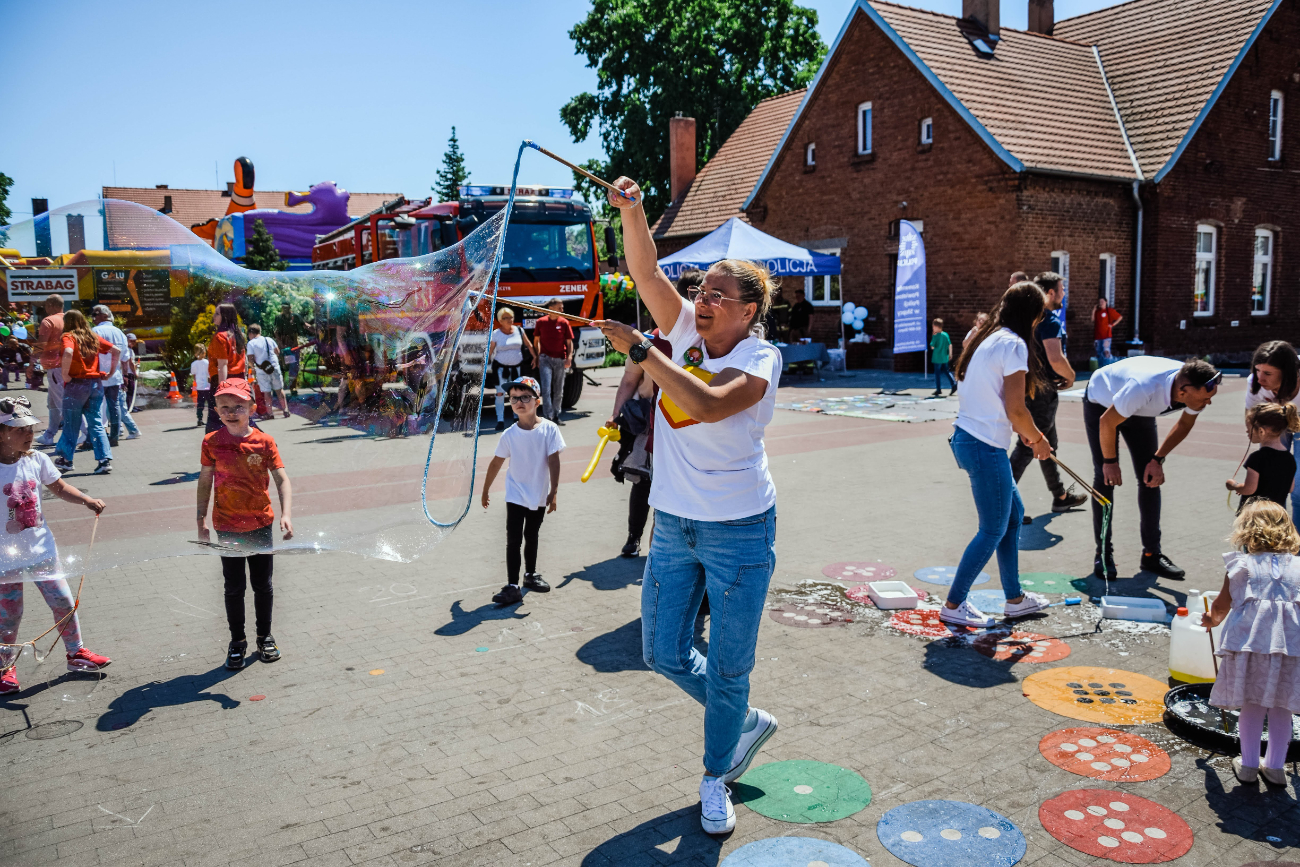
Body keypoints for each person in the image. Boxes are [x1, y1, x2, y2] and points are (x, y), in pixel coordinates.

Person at [595, 176, 782, 836]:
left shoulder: (762, 356)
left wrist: (645, 351)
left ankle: (714, 777)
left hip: (740, 530)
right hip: (674, 523)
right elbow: (643, 268)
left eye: (716, 293)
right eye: (699, 288)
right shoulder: (680, 326)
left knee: (730, 666)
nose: (700, 300)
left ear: (748, 310)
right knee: (663, 652)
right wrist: (635, 207)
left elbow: (704, 403)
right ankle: (742, 720)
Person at [943, 282, 1054, 628]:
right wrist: (1038, 440)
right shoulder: (1014, 345)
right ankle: (954, 603)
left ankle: (1015, 599)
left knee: (1013, 515)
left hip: (970, 438)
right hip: (983, 444)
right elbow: (1017, 410)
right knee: (992, 529)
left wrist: (1031, 437)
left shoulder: (986, 337)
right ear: (1033, 316)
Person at [0, 397, 111, 694]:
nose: (28, 434)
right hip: (3, 559)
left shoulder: (37, 460)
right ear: (1, 433)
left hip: (41, 551)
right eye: (19, 429)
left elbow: (60, 488)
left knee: (63, 602)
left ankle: (76, 653)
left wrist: (86, 500)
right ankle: (4, 667)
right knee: (9, 614)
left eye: (30, 429)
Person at [1084, 355, 1221, 580]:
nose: (1209, 403)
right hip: (1103, 402)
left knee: (1150, 479)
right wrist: (1110, 462)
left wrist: (1157, 460)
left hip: (1140, 410)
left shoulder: (1193, 386)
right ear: (1183, 391)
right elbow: (1107, 422)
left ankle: (1151, 554)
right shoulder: (1144, 387)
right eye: (1206, 399)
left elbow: (1184, 424)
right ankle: (1103, 554)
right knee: (1105, 478)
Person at [1201, 499, 1300, 788]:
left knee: (1252, 707)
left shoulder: (1242, 566)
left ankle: (1247, 766)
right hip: (1290, 651)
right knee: (1282, 708)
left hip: (1251, 648)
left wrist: (1212, 620)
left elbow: (1221, 606)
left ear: (1247, 530)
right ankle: (1276, 767)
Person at [197, 380, 293, 671]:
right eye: (224, 407)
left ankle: (265, 636)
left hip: (261, 523)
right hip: (226, 524)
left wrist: (286, 514)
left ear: (252, 408)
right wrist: (200, 520)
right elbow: (204, 482)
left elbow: (281, 479)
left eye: (238, 406)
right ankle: (237, 641)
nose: (231, 412)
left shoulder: (264, 442)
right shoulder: (211, 442)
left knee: (263, 585)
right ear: (216, 410)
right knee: (234, 587)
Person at [1009, 272, 1087, 522]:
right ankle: (1004, 504)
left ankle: (1060, 497)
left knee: (1047, 444)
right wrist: (1072, 376)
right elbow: (1055, 357)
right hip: (1042, 392)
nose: (1064, 294)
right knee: (1029, 445)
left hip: (1028, 385)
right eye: (1062, 289)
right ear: (1050, 293)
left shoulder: (1026, 317)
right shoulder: (1049, 319)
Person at [479, 377, 563, 605]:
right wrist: (485, 489)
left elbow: (554, 462)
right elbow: (496, 463)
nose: (519, 402)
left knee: (532, 535)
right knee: (513, 539)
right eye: (514, 398)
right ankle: (512, 586)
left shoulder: (549, 430)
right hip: (515, 494)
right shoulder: (509, 434)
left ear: (537, 401)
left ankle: (530, 575)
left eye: (525, 397)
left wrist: (554, 491)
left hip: (538, 494)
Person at [52, 310, 118, 476]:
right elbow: (115, 350)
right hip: (95, 385)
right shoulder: (92, 337)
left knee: (71, 423)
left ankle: (66, 460)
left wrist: (65, 374)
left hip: (76, 385)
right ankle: (104, 461)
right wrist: (110, 372)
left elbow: (67, 352)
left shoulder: (68, 336)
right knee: (96, 422)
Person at [1244, 341, 1300, 522]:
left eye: (1267, 373)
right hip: (1276, 425)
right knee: (1272, 486)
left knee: (1298, 490)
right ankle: (1274, 539)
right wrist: (1253, 431)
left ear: (1287, 373)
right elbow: (1251, 414)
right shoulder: (1255, 382)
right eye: (1257, 370)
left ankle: (1297, 546)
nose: (1260, 378)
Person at [1227, 403, 1300, 511]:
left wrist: (1234, 485)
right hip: (1276, 514)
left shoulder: (1257, 458)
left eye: (1249, 429)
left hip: (1255, 515)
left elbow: (1249, 489)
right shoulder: (1289, 458)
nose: (1247, 432)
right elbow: (1290, 488)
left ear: (1261, 431)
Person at [91, 305, 139, 445]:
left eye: (95, 314)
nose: (93, 318)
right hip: (114, 377)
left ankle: (96, 437)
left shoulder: (95, 331)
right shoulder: (120, 333)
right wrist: (125, 376)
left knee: (95, 408)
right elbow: (125, 358)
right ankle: (114, 437)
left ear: (103, 316)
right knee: (114, 407)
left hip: (98, 377)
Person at [488, 308, 535, 432]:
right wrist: (485, 363)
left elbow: (529, 344)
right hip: (500, 369)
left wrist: (535, 357)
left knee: (517, 394)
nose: (509, 320)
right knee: (500, 393)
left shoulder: (519, 330)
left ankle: (516, 417)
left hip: (517, 368)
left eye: (511, 317)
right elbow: (490, 350)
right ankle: (500, 420)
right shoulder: (496, 333)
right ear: (500, 321)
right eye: (505, 318)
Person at [206, 303, 247, 433]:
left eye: (217, 313)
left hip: (224, 379)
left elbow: (222, 364)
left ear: (224, 316)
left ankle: (212, 445)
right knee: (239, 413)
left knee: (216, 416)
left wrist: (222, 387)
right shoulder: (238, 335)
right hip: (239, 379)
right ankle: (259, 440)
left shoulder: (220, 337)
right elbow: (243, 361)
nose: (214, 316)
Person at [531, 299, 573, 424]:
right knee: (546, 388)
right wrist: (538, 355)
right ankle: (548, 416)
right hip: (545, 359)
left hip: (560, 359)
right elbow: (536, 341)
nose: (562, 310)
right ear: (551, 308)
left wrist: (569, 357)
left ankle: (556, 415)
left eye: (562, 307)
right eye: (559, 307)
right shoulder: (541, 322)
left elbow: (569, 343)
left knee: (559, 389)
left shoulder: (564, 322)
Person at [32, 295, 65, 447]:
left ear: (51, 305)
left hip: (55, 367)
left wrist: (31, 362)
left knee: (61, 403)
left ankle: (85, 433)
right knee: (52, 402)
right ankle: (50, 434)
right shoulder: (69, 319)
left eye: (46, 305)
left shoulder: (48, 321)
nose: (45, 308)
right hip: (65, 365)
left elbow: (41, 343)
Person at [246, 324, 290, 420]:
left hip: (262, 370)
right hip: (274, 367)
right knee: (279, 390)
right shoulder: (269, 339)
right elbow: (277, 351)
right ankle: (285, 410)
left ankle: (270, 413)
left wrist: (252, 367)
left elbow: (250, 358)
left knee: (267, 392)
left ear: (251, 333)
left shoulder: (251, 343)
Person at [272, 302, 304, 394]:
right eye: (283, 307)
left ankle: (293, 387)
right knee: (281, 366)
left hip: (292, 344)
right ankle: (277, 388)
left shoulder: (294, 317)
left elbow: (298, 330)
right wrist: (280, 344)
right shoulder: (278, 318)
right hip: (282, 344)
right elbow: (276, 331)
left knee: (293, 366)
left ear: (290, 307)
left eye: (286, 307)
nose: (285, 309)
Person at [1092, 297, 1123, 366]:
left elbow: (1120, 317)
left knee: (1106, 351)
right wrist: (1094, 310)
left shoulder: (1109, 311)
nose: (1101, 303)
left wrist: (1113, 324)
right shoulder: (1097, 312)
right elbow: (1093, 319)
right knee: (1099, 353)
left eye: (1102, 301)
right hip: (1098, 336)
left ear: (1106, 302)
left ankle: (1108, 366)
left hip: (1106, 336)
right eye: (1100, 302)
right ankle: (1101, 368)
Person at [929, 318, 955, 396]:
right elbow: (950, 344)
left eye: (933, 326)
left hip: (937, 358)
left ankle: (938, 389)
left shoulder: (935, 336)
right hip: (945, 357)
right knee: (947, 371)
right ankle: (954, 384)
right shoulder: (945, 334)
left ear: (936, 327)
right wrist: (950, 354)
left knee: (937, 374)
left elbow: (932, 347)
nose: (933, 328)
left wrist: (933, 338)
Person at [191, 344, 213, 427]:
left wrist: (196, 381)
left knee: (200, 403)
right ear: (204, 353)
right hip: (208, 386)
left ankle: (199, 419)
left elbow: (194, 375)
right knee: (210, 403)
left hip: (199, 387)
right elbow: (210, 373)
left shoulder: (193, 364)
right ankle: (210, 419)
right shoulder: (207, 362)